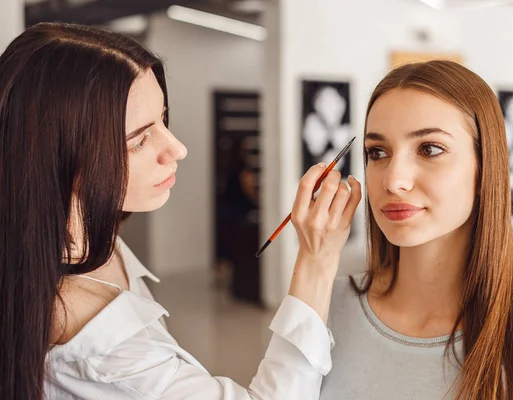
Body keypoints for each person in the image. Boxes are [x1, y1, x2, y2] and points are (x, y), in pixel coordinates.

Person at [0, 23, 361, 399]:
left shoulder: (92, 242)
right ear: (59, 156)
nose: (177, 148)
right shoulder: (102, 345)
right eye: (139, 140)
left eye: (163, 119)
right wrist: (317, 261)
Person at [320, 61, 513, 399]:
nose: (393, 180)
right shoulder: (323, 307)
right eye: (378, 152)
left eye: (429, 149)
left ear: (483, 169)